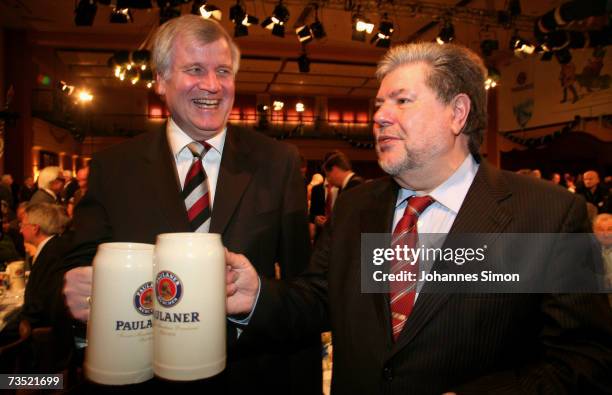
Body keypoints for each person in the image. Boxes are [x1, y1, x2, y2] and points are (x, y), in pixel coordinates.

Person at [226, 43, 612, 394]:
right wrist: (257, 295)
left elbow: (585, 358)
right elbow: (318, 298)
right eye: (378, 103)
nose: (379, 116)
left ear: (457, 113)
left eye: (402, 100)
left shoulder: (548, 214)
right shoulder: (355, 207)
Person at [60, 15, 319, 394]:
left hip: (250, 375)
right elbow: (73, 274)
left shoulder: (277, 162)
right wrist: (73, 294)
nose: (212, 85)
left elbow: (303, 289)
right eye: (195, 69)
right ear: (161, 81)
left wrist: (257, 298)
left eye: (223, 71)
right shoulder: (114, 168)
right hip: (145, 378)